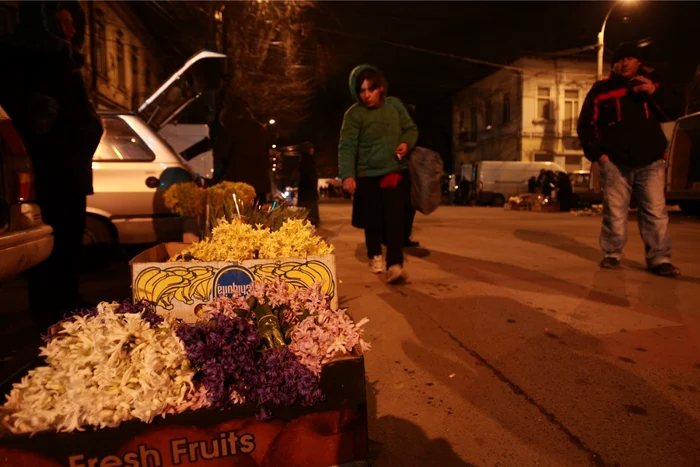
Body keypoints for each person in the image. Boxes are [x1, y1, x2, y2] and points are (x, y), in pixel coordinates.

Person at [1, 2, 104, 330]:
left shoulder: (65, 59)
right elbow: (26, 106)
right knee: (55, 241)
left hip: (72, 165)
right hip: (52, 165)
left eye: (73, 23)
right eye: (63, 22)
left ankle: (69, 300)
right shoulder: (32, 56)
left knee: (72, 235)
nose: (70, 29)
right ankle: (49, 309)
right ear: (48, 23)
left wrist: (90, 126)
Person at [577, 42, 681, 276]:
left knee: (655, 211)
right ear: (613, 64)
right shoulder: (601, 90)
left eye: (629, 59)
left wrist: (654, 92)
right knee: (614, 210)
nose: (624, 64)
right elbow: (586, 126)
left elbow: (673, 112)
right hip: (615, 162)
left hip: (651, 161)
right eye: (619, 60)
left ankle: (660, 258)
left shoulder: (650, 85)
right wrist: (600, 156)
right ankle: (612, 254)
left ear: (638, 62)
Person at [338, 64, 418, 283]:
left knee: (395, 218)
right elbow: (347, 146)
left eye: (370, 90)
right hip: (366, 175)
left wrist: (405, 142)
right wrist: (347, 174)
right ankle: (374, 255)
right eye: (361, 91)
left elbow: (410, 129)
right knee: (372, 220)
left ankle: (395, 264)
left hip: (393, 172)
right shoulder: (354, 114)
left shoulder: (395, 106)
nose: (366, 95)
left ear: (380, 88)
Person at [297, 142, 320, 227]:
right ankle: (312, 220)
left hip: (306, 189)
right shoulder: (307, 160)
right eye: (311, 148)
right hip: (308, 189)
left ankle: (307, 220)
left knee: (305, 205)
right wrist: (314, 183)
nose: (313, 150)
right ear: (308, 150)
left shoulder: (304, 159)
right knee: (310, 205)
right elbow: (309, 175)